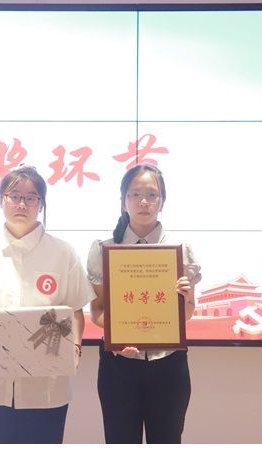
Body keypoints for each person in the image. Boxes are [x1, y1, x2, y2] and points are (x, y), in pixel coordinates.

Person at [0, 165, 94, 444]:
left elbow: (75, 310)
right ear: (1, 200)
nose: (22, 204)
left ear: (41, 204)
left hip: (46, 390)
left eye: (31, 197)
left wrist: (75, 348)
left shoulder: (63, 253)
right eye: (14, 196)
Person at [86, 163, 202, 444]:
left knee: (167, 443)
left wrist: (186, 297)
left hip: (168, 363)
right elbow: (97, 311)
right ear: (123, 201)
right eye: (135, 194)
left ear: (162, 202)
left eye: (152, 195)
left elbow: (187, 312)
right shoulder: (103, 248)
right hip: (119, 364)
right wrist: (120, 335)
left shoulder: (180, 249)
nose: (144, 202)